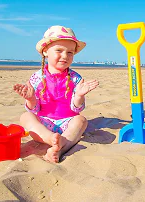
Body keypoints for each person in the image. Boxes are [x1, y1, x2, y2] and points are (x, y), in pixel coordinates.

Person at [13, 25, 99, 163]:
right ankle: (50, 139)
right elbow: (35, 109)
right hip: (44, 123)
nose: (65, 56)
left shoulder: (75, 78)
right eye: (59, 50)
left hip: (67, 122)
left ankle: (60, 148)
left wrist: (79, 96)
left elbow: (76, 109)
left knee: (81, 120)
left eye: (70, 53)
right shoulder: (37, 78)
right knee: (26, 117)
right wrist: (31, 99)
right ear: (46, 51)